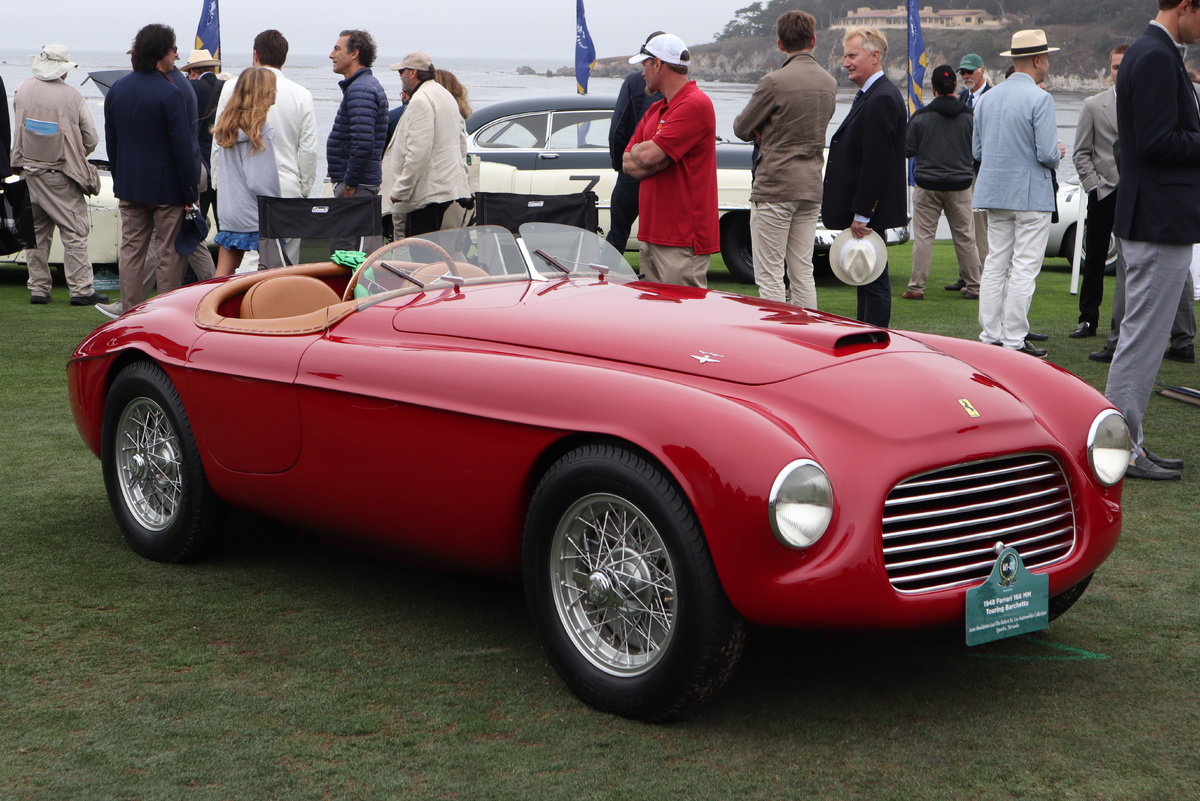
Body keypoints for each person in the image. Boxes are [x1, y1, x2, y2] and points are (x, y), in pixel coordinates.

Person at [1104, 0, 1200, 481]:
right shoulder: (1158, 55)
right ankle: (1119, 445)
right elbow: (1158, 141)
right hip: (1159, 219)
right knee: (1143, 339)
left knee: (1141, 336)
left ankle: (1126, 441)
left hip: (1152, 215)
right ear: (1185, 6)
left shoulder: (1149, 50)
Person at [733, 10, 836, 308]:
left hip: (776, 185)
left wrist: (764, 130)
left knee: (769, 272)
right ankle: (807, 333)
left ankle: (777, 338)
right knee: (803, 270)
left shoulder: (773, 82)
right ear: (813, 40)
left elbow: (741, 127)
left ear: (780, 44)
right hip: (810, 185)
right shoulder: (829, 82)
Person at [971, 30, 1063, 357]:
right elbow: (1048, 155)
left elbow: (978, 151)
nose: (1048, 63)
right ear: (1037, 60)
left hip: (995, 192)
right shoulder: (1040, 99)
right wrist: (1059, 152)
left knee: (996, 262)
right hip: (1030, 195)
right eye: (1047, 58)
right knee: (1023, 266)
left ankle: (990, 333)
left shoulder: (986, 99)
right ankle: (1013, 338)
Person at [98, 24, 199, 319]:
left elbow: (112, 142)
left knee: (131, 253)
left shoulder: (117, 88)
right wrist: (190, 193)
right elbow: (182, 148)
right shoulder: (171, 92)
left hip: (130, 185)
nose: (176, 55)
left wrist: (120, 180)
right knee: (168, 254)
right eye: (173, 49)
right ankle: (163, 316)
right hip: (166, 189)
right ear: (161, 53)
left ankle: (129, 315)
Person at [821, 27, 906, 327]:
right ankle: (866, 333)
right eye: (845, 56)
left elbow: (877, 162)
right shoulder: (872, 94)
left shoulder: (881, 97)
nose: (846, 62)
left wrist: (863, 213)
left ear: (874, 56)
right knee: (866, 277)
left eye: (852, 55)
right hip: (866, 210)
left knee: (873, 277)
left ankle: (875, 339)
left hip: (869, 212)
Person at [10, 44, 106, 306]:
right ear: (63, 70)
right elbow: (91, 139)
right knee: (74, 231)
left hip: (28, 172)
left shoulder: (22, 89)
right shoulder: (72, 96)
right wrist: (75, 151)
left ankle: (39, 289)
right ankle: (81, 289)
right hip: (60, 174)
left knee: (37, 234)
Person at [213, 30, 318, 268]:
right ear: (284, 57)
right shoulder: (302, 94)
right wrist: (304, 188)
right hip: (284, 189)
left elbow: (218, 146)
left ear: (255, 54)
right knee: (283, 264)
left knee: (240, 267)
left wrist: (219, 184)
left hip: (235, 193)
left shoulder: (231, 88)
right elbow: (308, 150)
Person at [623, 33, 719, 287]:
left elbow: (646, 155)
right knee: (655, 322)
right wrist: (657, 157)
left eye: (645, 65)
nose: (642, 73)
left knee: (683, 321)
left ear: (657, 64)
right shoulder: (657, 109)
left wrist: (651, 155)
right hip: (653, 234)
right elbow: (628, 162)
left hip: (682, 239)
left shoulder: (694, 103)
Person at [902, 64, 982, 301]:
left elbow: (907, 150)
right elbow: (978, 151)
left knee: (925, 238)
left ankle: (917, 287)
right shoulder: (970, 116)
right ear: (955, 86)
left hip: (927, 185)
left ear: (933, 88)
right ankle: (975, 285)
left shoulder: (921, 116)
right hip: (960, 185)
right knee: (966, 237)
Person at [1069, 45, 1127, 339]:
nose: (1120, 72)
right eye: (1115, 67)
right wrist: (1094, 185)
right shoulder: (1093, 105)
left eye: (1125, 66)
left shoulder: (1146, 104)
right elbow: (1080, 153)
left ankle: (1128, 325)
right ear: (1109, 69)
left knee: (1133, 262)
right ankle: (1088, 320)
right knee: (1094, 260)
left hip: (1136, 193)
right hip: (1102, 192)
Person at [385, 52, 470, 238]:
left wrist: (401, 189)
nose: (400, 76)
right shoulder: (445, 95)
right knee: (430, 247)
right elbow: (461, 144)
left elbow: (417, 152)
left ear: (412, 72)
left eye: (401, 71)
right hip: (445, 188)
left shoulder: (421, 100)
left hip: (426, 192)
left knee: (419, 252)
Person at [211, 67, 281, 277]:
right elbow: (261, 181)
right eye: (273, 88)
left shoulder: (227, 127)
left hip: (230, 209)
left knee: (222, 274)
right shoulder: (261, 130)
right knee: (273, 271)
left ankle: (207, 306)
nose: (275, 92)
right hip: (254, 212)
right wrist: (278, 206)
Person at [606, 31, 664, 254]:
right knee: (658, 236)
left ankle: (607, 282)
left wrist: (619, 164)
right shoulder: (677, 89)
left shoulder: (633, 81)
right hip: (661, 168)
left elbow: (618, 126)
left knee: (618, 233)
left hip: (632, 167)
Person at [327, 29, 387, 205]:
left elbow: (363, 143)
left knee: (348, 232)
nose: (331, 55)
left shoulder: (361, 89)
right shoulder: (363, 86)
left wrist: (350, 185)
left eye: (337, 49)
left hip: (357, 186)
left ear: (354, 54)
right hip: (360, 183)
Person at [947, 53, 991, 291]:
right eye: (963, 72)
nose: (966, 76)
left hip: (983, 170)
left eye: (970, 72)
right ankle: (967, 274)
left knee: (980, 226)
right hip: (963, 171)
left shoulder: (992, 97)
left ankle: (982, 275)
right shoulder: (962, 98)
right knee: (965, 224)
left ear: (982, 70)